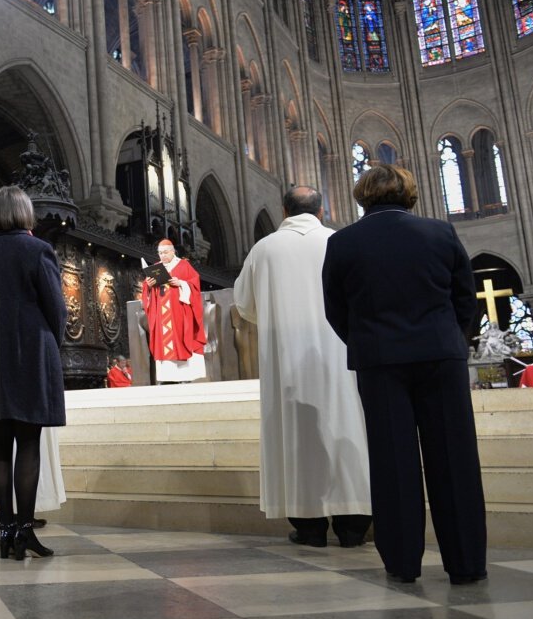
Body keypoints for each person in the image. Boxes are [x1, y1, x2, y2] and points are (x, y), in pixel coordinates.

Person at [322, 164, 487, 585]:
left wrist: (368, 343)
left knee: (392, 461)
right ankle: (466, 562)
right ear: (409, 194)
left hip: (380, 363)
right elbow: (465, 299)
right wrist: (451, 338)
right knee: (454, 458)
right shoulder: (440, 233)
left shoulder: (342, 243)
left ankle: (402, 562)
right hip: (440, 357)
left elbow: (336, 310)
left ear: (362, 196)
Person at [233, 186, 373, 548]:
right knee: (349, 426)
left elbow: (244, 304)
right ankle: (354, 525)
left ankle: (309, 527)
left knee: (297, 435)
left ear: (283, 210)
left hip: (287, 362)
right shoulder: (339, 240)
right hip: (341, 357)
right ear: (322, 210)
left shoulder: (264, 249)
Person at [0, 186, 67, 560]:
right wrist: (48, 345)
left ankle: (6, 530)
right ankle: (25, 530)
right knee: (28, 442)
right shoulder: (37, 249)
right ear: (26, 213)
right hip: (30, 343)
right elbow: (55, 307)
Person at [141, 239, 207, 382]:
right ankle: (167, 377)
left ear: (172, 251)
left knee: (181, 339)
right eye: (160, 253)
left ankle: (185, 376)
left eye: (165, 252)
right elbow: (147, 293)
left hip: (179, 312)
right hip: (161, 314)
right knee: (164, 341)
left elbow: (195, 285)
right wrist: (149, 285)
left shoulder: (184, 265)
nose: (162, 256)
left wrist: (181, 283)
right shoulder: (157, 267)